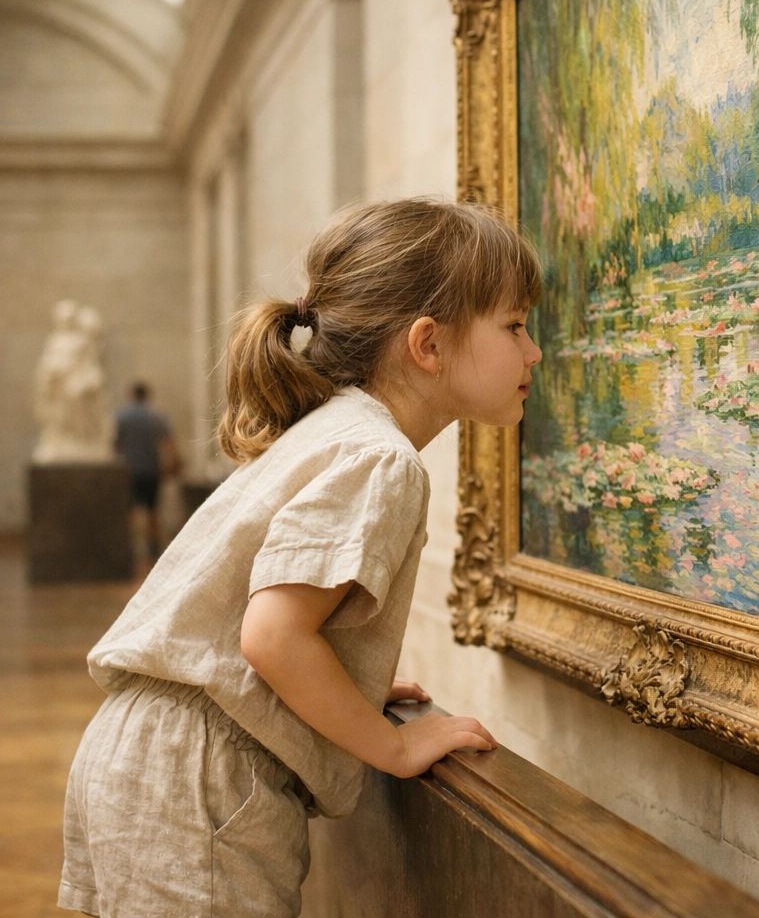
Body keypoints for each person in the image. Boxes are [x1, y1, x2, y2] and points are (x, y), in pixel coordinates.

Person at [59, 198, 543, 917]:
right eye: (514, 325)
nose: (533, 351)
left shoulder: (336, 430)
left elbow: (262, 623)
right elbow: (273, 636)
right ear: (429, 345)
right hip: (199, 778)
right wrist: (395, 748)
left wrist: (347, 682)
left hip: (150, 758)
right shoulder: (379, 457)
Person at [114, 381, 179, 566]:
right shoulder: (155, 416)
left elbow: (115, 444)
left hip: (129, 470)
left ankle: (132, 545)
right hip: (151, 470)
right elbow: (167, 442)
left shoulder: (122, 416)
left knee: (131, 509)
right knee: (152, 509)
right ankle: (152, 546)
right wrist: (172, 463)